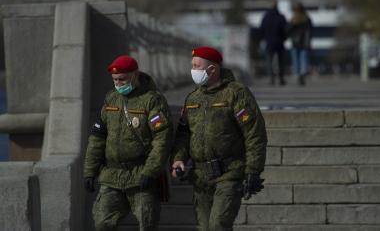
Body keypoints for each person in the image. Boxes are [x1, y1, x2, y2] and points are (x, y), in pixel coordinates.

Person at [171, 46, 267, 231]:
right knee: (205, 227)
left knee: (218, 226)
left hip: (229, 173)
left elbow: (254, 133)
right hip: (200, 177)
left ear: (212, 69)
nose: (193, 70)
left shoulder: (236, 93)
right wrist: (178, 159)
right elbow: (183, 135)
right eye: (192, 65)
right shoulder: (192, 98)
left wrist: (253, 171)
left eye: (197, 66)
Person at [84, 55, 173, 231]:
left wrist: (151, 170)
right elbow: (97, 137)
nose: (118, 83)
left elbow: (162, 137)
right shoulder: (111, 99)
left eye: (122, 79)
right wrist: (89, 171)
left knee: (147, 223)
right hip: (112, 175)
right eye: (115, 80)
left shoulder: (152, 100)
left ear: (135, 75)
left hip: (141, 174)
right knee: (102, 222)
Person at [259, 0, 288, 85]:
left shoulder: (266, 17)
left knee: (269, 61)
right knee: (281, 62)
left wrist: (264, 38)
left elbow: (261, 29)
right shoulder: (281, 17)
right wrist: (284, 39)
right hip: (279, 42)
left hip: (269, 42)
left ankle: (271, 78)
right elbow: (285, 30)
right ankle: (281, 78)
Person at [288, 2, 313, 86]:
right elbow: (310, 31)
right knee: (303, 59)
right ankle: (302, 74)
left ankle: (299, 75)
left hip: (295, 43)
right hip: (304, 43)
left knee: (296, 60)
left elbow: (288, 30)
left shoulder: (293, 19)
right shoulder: (307, 19)